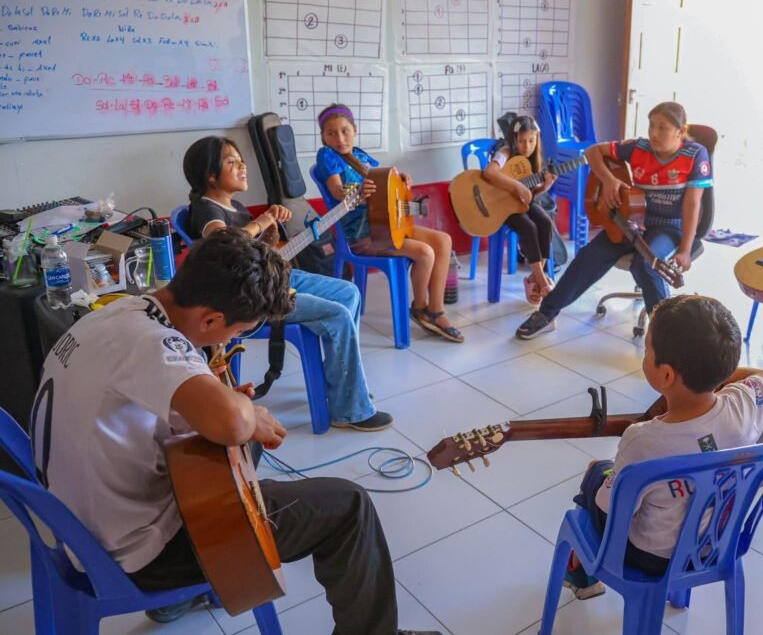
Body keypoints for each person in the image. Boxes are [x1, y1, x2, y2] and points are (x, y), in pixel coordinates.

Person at [30, 229, 439, 634]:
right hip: (136, 552)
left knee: (242, 448)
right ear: (210, 319)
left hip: (85, 521)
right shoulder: (153, 345)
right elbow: (231, 423)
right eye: (239, 331)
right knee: (349, 506)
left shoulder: (121, 310)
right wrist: (247, 414)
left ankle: (183, 599)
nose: (234, 339)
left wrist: (221, 406)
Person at [562, 295, 763, 599]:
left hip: (653, 558)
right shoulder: (742, 406)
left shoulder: (642, 440)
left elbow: (612, 508)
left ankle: (581, 574)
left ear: (666, 375)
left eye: (647, 349)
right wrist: (717, 373)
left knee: (596, 472)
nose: (644, 353)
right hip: (717, 545)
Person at [184, 136, 393, 432]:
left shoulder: (236, 206)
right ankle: (349, 411)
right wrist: (262, 220)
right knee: (337, 314)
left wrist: (270, 233)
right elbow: (222, 242)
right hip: (249, 299)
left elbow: (253, 254)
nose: (243, 166)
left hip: (271, 280)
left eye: (241, 160)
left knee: (349, 292)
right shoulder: (207, 209)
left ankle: (344, 388)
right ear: (210, 175)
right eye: (232, 162)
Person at [515, 102, 713, 339]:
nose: (654, 133)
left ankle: (666, 338)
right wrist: (609, 181)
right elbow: (592, 152)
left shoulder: (695, 154)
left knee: (646, 265)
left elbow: (693, 205)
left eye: (663, 128)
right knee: (590, 256)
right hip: (632, 220)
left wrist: (685, 250)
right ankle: (546, 314)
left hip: (669, 226)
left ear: (680, 132)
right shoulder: (639, 147)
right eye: (651, 125)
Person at [314, 103, 464, 343]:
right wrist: (356, 192)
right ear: (323, 137)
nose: (339, 138)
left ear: (355, 130)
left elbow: (385, 179)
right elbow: (338, 190)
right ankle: (420, 307)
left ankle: (436, 310)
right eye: (331, 133)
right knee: (425, 252)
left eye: (345, 131)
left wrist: (401, 179)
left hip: (385, 225)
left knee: (443, 240)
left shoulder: (360, 155)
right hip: (363, 236)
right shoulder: (327, 156)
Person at [481, 113, 557, 303]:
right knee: (528, 227)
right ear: (514, 139)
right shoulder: (506, 152)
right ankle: (542, 281)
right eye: (522, 141)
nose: (526, 146)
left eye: (531, 141)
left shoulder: (534, 161)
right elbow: (489, 172)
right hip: (501, 205)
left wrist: (545, 186)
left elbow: (530, 194)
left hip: (522, 203)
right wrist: (516, 186)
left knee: (546, 223)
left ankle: (534, 277)